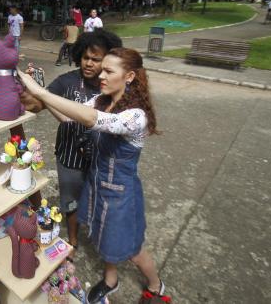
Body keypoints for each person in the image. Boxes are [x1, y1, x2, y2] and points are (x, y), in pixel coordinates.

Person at [19, 47, 170, 304]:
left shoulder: (136, 116)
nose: (101, 75)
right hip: (98, 184)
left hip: (121, 194)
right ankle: (111, 280)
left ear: (130, 76)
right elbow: (69, 117)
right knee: (103, 236)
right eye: (103, 69)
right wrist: (31, 88)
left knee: (131, 248)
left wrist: (41, 92)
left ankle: (156, 285)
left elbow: (90, 120)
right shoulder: (101, 99)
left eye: (109, 71)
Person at [21, 30, 123, 258]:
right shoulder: (66, 81)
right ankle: (74, 240)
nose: (89, 63)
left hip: (101, 157)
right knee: (70, 202)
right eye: (86, 57)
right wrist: (25, 90)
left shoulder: (110, 87)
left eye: (96, 60)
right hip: (68, 156)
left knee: (99, 200)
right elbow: (38, 105)